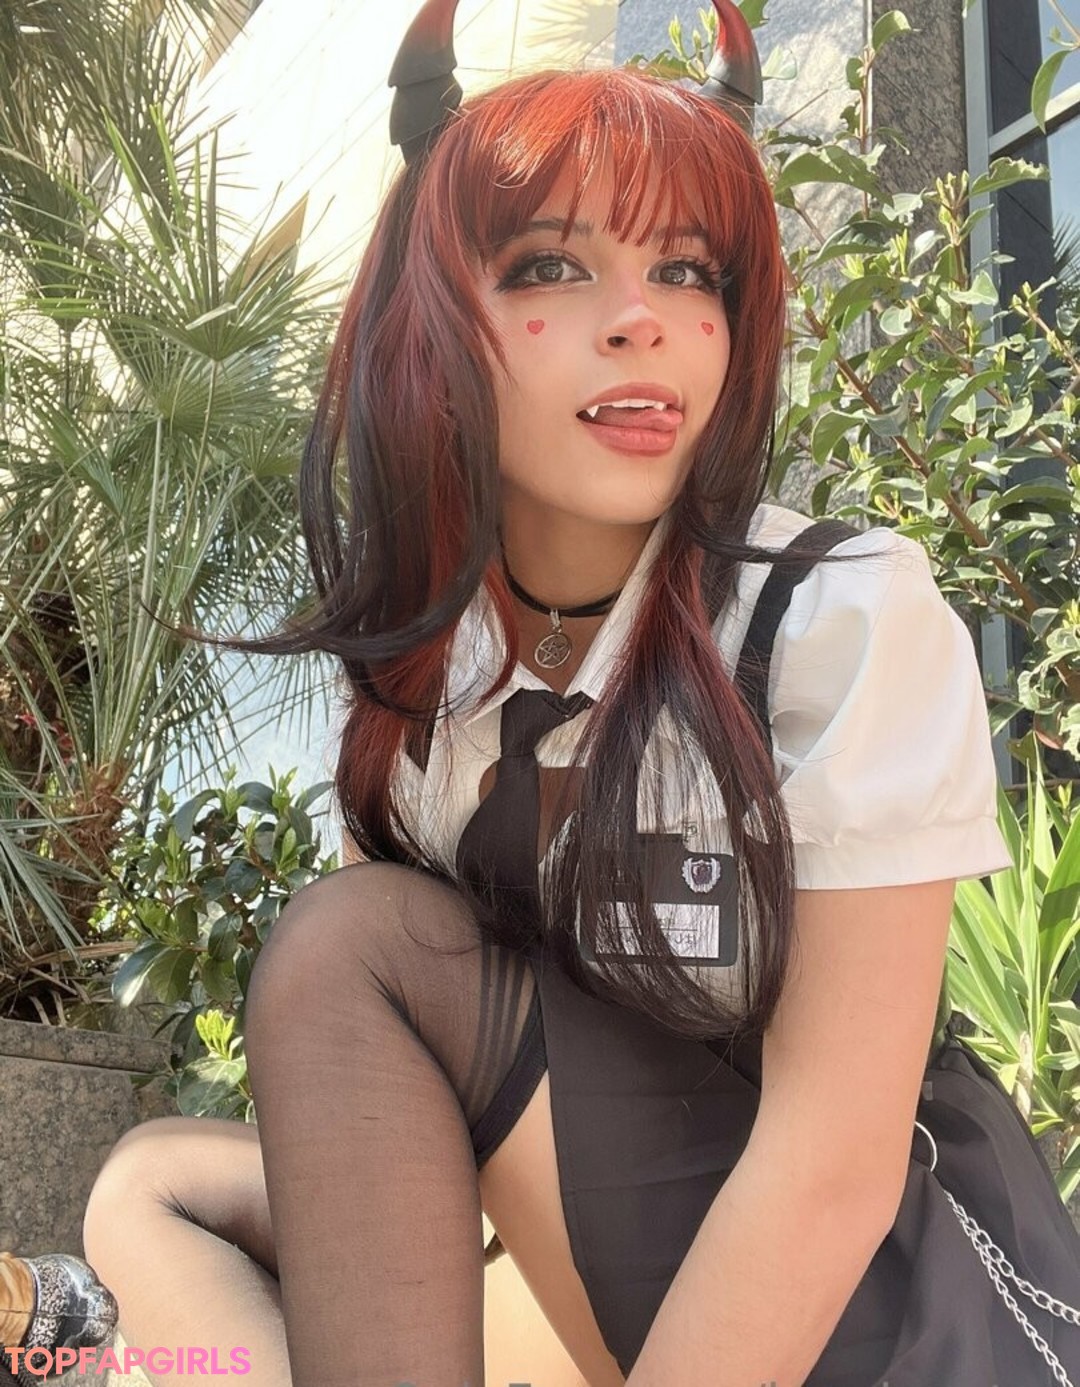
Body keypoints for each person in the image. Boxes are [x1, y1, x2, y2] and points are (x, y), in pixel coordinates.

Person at [7, 2, 1080, 1384]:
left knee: (351, 945)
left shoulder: (836, 617)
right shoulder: (430, 694)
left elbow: (830, 1168)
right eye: (552, 265)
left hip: (866, 1317)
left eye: (687, 269)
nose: (642, 323)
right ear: (432, 330)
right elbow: (436, 1135)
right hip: (593, 1264)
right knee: (150, 1180)